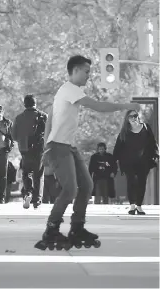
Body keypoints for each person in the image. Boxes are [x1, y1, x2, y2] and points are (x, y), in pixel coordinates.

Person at [37, 55, 140, 250]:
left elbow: (50, 118)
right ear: (75, 70)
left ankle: (77, 227)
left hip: (67, 147)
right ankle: (51, 229)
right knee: (70, 190)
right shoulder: (69, 90)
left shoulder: (65, 92)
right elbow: (98, 106)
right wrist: (125, 106)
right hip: (58, 147)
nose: (88, 76)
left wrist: (45, 146)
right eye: (86, 72)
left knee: (87, 185)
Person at [113, 110, 158, 215]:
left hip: (144, 161)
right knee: (131, 182)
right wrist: (114, 160)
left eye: (135, 116)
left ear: (138, 117)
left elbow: (152, 142)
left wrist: (156, 154)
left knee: (142, 183)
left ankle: (139, 206)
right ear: (127, 119)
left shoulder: (146, 128)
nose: (133, 118)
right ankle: (132, 206)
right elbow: (118, 147)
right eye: (130, 117)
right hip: (128, 162)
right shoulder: (125, 132)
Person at [13, 95, 47, 209]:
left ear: (25, 104)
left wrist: (23, 141)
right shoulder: (43, 116)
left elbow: (14, 136)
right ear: (35, 103)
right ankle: (37, 200)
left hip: (25, 149)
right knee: (38, 174)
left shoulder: (19, 118)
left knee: (26, 173)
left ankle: (28, 192)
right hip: (39, 150)